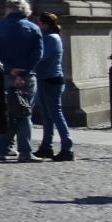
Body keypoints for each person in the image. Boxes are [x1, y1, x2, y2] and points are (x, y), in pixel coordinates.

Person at [0, 0, 44, 163]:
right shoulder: (33, 28)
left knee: (4, 114)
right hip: (27, 77)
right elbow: (38, 54)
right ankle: (25, 152)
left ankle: (1, 150)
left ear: (7, 9)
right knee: (25, 114)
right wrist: (23, 72)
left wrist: (9, 69)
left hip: (4, 76)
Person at [34, 11, 74, 162]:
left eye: (40, 23)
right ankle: (46, 146)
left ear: (45, 24)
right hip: (45, 79)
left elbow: (40, 56)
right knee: (47, 116)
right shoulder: (49, 37)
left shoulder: (51, 38)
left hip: (52, 80)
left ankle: (67, 147)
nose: (38, 25)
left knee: (56, 115)